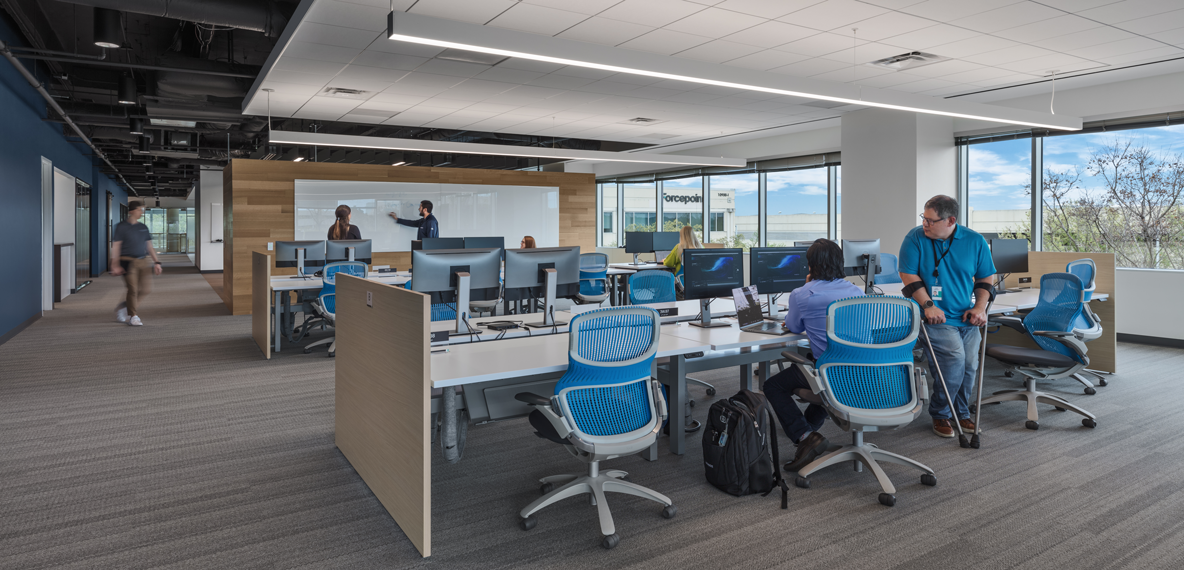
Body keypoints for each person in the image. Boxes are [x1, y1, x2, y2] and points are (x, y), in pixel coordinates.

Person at [762, 239, 864, 472]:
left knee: (773, 385)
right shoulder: (856, 291)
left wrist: (806, 287)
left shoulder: (803, 294)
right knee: (821, 379)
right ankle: (808, 433)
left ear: (811, 265)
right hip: (863, 375)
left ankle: (804, 435)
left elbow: (794, 326)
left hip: (829, 374)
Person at [899, 195, 996, 438]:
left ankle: (961, 412)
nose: (925, 224)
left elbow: (986, 278)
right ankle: (942, 413)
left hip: (965, 317)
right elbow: (908, 275)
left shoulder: (975, 241)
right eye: (924, 218)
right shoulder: (915, 238)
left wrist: (980, 307)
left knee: (970, 367)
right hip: (934, 318)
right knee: (953, 363)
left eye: (931, 220)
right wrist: (928, 305)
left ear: (951, 220)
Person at [110, 201, 162, 326]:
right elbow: (116, 246)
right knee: (132, 289)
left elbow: (149, 246)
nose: (141, 212)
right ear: (132, 211)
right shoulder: (121, 226)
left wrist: (157, 262)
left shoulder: (143, 227)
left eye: (142, 210)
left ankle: (125, 307)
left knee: (146, 289)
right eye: (139, 210)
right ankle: (133, 316)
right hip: (127, 261)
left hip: (143, 261)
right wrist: (114, 264)